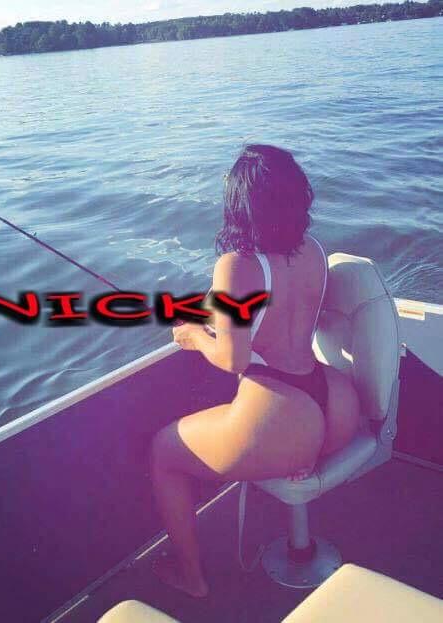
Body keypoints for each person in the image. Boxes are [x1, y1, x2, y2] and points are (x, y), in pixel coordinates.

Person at [150, 144, 360, 597]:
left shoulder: (237, 265)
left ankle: (191, 578)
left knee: (163, 452)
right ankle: (300, 454)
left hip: (282, 417)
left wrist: (193, 335)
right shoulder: (314, 250)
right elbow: (282, 312)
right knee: (286, 436)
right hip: (335, 406)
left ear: (240, 205)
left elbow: (234, 359)